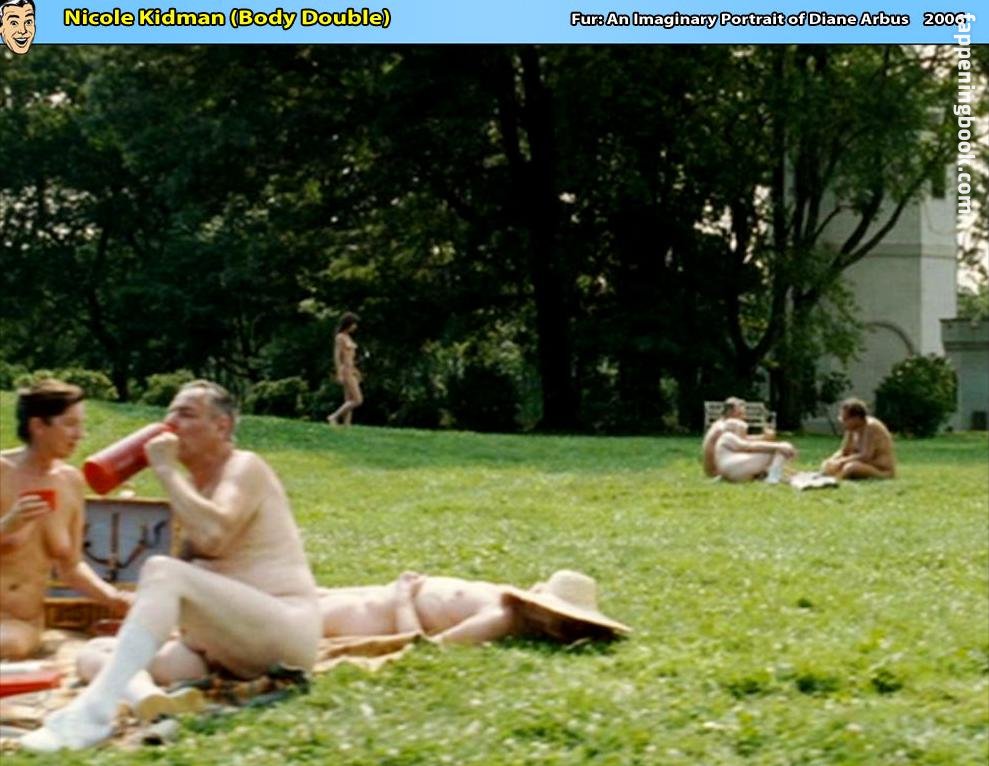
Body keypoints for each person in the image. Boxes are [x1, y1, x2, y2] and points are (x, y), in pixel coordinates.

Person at [23, 380, 321, 752]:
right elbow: (192, 574)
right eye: (169, 414)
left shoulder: (245, 466)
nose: (171, 424)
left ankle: (93, 713)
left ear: (222, 426)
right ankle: (151, 702)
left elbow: (213, 538)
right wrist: (145, 622)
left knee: (162, 570)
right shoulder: (193, 486)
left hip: (282, 636)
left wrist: (165, 469)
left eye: (186, 414)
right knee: (95, 653)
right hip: (225, 648)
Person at [0, 380, 132, 660]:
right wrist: (6, 526)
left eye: (81, 425)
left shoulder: (70, 482)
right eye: (70, 424)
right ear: (38, 426)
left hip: (19, 625)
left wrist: (114, 599)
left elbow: (71, 567)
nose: (80, 434)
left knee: (8, 644)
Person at [319, 569, 630, 645]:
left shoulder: (499, 618)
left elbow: (419, 647)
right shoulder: (504, 599)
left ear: (548, 621)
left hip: (368, 616)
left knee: (296, 618)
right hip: (376, 596)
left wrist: (402, 597)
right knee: (303, 594)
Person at [821, 398, 896, 479]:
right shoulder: (851, 429)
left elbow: (866, 456)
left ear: (856, 418)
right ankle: (832, 475)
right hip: (861, 464)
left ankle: (835, 478)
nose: (842, 422)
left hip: (880, 469)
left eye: (845, 419)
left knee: (850, 468)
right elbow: (844, 450)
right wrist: (833, 459)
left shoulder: (871, 427)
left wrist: (841, 461)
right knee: (826, 464)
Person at [701, 397, 778, 477]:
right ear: (730, 412)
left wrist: (763, 438)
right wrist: (765, 441)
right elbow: (744, 446)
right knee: (768, 452)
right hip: (717, 471)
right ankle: (772, 475)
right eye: (740, 413)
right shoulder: (725, 426)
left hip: (715, 469)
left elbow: (741, 440)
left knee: (764, 450)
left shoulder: (722, 424)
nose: (743, 416)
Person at [714, 418, 797, 483]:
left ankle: (776, 475)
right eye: (742, 431)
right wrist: (779, 446)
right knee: (776, 450)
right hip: (734, 469)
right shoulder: (727, 436)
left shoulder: (727, 441)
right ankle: (773, 478)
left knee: (773, 450)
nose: (745, 435)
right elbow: (748, 446)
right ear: (734, 429)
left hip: (732, 470)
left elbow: (753, 444)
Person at [326, 311, 363, 426]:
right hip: (345, 370)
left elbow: (351, 358)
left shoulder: (348, 337)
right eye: (354, 324)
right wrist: (339, 373)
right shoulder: (340, 337)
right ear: (348, 323)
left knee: (349, 399)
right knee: (358, 399)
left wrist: (356, 370)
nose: (355, 327)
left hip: (351, 369)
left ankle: (347, 424)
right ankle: (333, 416)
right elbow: (337, 356)